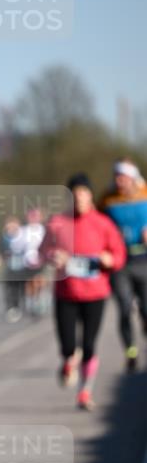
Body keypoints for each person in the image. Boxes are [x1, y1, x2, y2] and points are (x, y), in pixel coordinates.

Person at [39, 173, 126, 410]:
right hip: (66, 293)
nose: (79, 199)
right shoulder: (58, 222)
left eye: (83, 194)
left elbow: (119, 255)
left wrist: (110, 259)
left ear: (90, 196)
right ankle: (68, 361)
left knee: (89, 345)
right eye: (74, 194)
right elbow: (42, 251)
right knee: (68, 347)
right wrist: (51, 256)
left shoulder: (103, 223)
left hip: (95, 293)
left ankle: (85, 392)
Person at [100, 159, 147, 371]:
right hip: (120, 263)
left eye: (123, 177)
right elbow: (95, 222)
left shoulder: (145, 193)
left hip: (144, 259)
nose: (119, 181)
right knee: (125, 307)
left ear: (133, 178)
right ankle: (130, 350)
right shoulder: (107, 200)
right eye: (116, 177)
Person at [0, 215, 27, 323]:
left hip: (21, 268)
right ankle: (11, 307)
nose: (11, 228)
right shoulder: (5, 238)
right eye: (9, 226)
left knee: (20, 289)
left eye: (14, 225)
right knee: (10, 289)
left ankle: (18, 306)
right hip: (10, 268)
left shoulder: (23, 237)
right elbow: (2, 251)